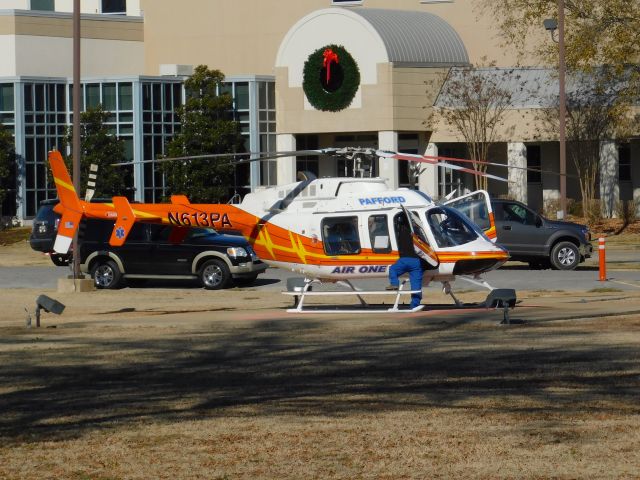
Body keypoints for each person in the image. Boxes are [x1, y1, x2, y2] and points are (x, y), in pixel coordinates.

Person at [386, 215, 423, 309]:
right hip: (416, 261)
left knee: (392, 269)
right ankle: (415, 304)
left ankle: (394, 284)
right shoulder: (417, 232)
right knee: (416, 285)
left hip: (404, 260)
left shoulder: (400, 230)